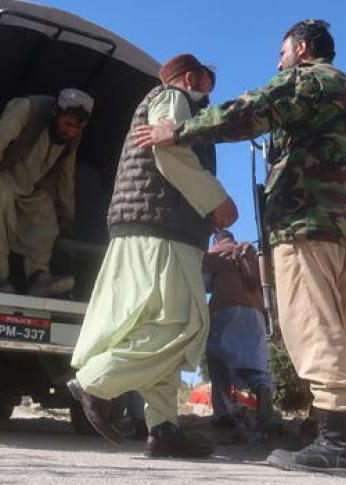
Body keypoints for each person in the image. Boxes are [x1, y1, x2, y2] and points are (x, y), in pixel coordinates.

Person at [133, 20, 346, 478]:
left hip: (301, 226)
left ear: (301, 48)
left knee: (314, 332)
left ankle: (336, 447)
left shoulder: (307, 79)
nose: (278, 61)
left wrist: (179, 132)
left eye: (282, 52)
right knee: (343, 334)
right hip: (338, 231)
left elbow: (249, 111)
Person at [67, 54, 239, 458]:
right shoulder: (173, 97)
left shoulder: (163, 100)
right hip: (163, 231)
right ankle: (96, 382)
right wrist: (215, 201)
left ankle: (163, 429)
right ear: (192, 77)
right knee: (184, 323)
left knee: (154, 324)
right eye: (207, 87)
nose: (208, 98)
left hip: (149, 229)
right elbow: (170, 152)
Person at [0, 88, 93, 296]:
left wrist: (66, 214)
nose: (72, 131)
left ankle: (39, 277)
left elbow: (66, 175)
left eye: (78, 127)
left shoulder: (72, 138)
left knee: (45, 215)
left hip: (30, 187)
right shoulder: (28, 109)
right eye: (68, 124)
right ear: (56, 112)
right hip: (1, 176)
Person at [202, 230, 274, 429]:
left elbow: (204, 283)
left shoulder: (214, 252)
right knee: (254, 360)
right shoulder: (249, 251)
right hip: (255, 311)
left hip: (224, 307)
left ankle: (223, 413)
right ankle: (261, 386)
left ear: (217, 239)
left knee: (218, 360)